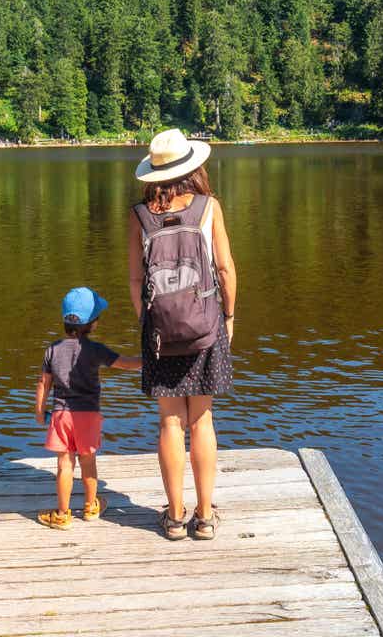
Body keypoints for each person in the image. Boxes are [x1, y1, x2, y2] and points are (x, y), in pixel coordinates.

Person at [127, 129, 237, 540]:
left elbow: (136, 279)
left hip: (159, 333)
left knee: (169, 423)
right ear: (192, 167)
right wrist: (228, 316)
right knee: (202, 419)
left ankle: (174, 517)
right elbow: (225, 270)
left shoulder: (139, 216)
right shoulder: (209, 208)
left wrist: (149, 321)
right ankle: (205, 517)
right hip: (205, 327)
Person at [35, 287, 141, 530]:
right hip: (89, 416)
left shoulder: (52, 349)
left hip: (62, 415)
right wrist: (151, 360)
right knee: (88, 461)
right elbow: (126, 364)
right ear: (92, 323)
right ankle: (91, 506)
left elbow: (44, 383)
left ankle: (62, 514)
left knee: (64, 464)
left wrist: (40, 412)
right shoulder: (96, 350)